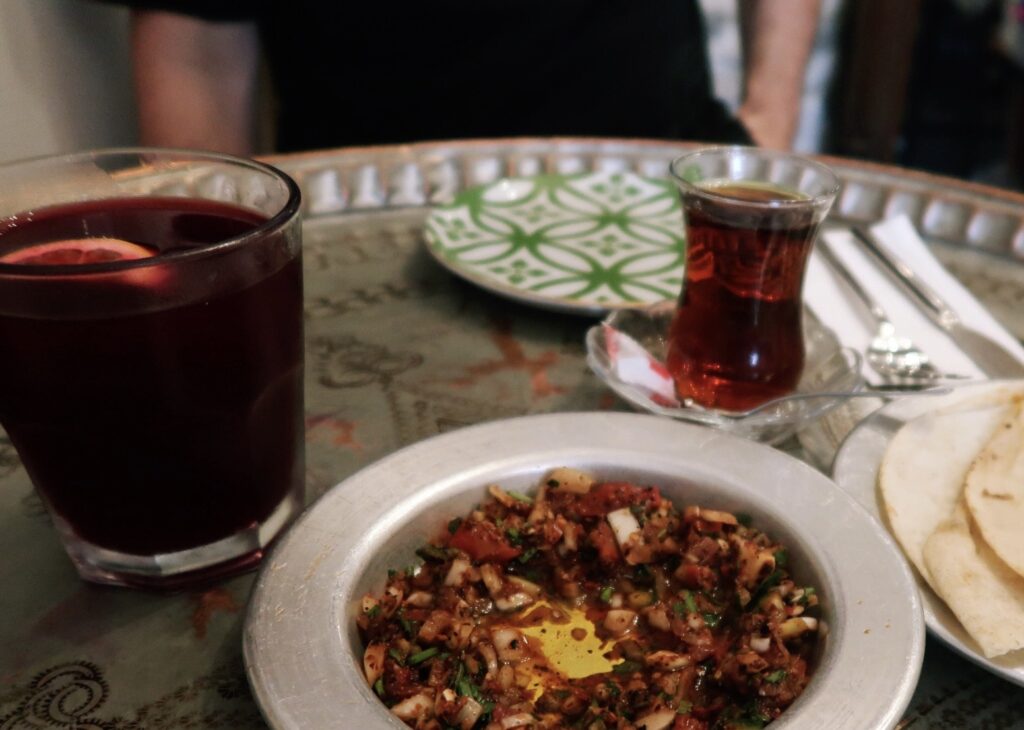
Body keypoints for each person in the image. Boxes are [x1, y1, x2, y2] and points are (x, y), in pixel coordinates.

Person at [105, 1, 820, 156]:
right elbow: (193, 46)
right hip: (374, 223)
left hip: (662, 180)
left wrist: (770, 123)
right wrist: (217, 266)